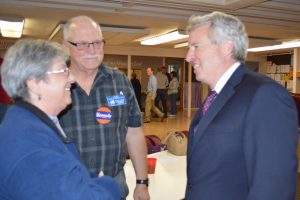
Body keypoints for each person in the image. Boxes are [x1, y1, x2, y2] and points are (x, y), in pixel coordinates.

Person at [185, 11, 298, 200]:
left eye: (195, 46)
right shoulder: (215, 97)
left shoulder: (265, 95)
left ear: (226, 47)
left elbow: (273, 188)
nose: (188, 57)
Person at [0, 39, 121, 200]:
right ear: (35, 82)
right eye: (63, 71)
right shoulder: (31, 147)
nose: (71, 78)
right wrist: (107, 184)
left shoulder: (26, 120)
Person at [59, 16, 149, 200]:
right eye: (83, 44)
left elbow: (134, 134)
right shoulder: (54, 84)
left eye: (97, 43)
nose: (92, 50)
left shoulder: (120, 82)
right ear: (65, 46)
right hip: (66, 189)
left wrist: (142, 182)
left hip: (114, 187)